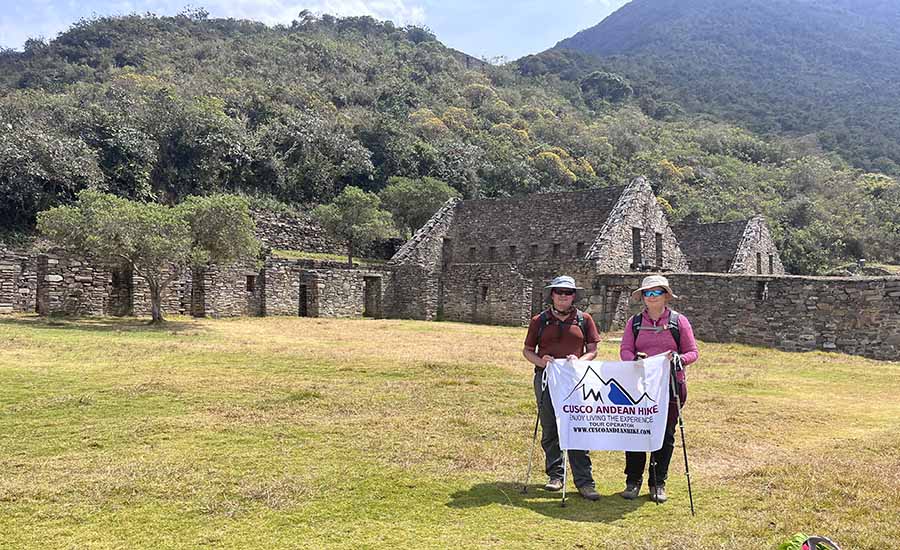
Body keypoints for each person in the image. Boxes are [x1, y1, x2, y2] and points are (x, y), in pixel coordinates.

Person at [619, 274, 699, 503]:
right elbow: (625, 350)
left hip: (671, 386)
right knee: (636, 432)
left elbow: (692, 352)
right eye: (647, 293)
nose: (652, 297)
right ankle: (632, 481)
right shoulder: (635, 322)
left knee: (665, 434)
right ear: (643, 297)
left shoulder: (678, 321)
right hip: (640, 386)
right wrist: (635, 359)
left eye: (656, 292)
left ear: (665, 295)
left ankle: (657, 482)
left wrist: (678, 359)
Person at [523, 275, 602, 500]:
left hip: (574, 380)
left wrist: (580, 361)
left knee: (577, 426)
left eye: (568, 292)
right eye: (559, 292)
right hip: (546, 378)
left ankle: (584, 481)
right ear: (552, 294)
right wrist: (542, 362)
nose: (563, 296)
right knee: (550, 427)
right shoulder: (539, 320)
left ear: (574, 296)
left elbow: (592, 350)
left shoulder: (584, 319)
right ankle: (556, 476)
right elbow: (527, 350)